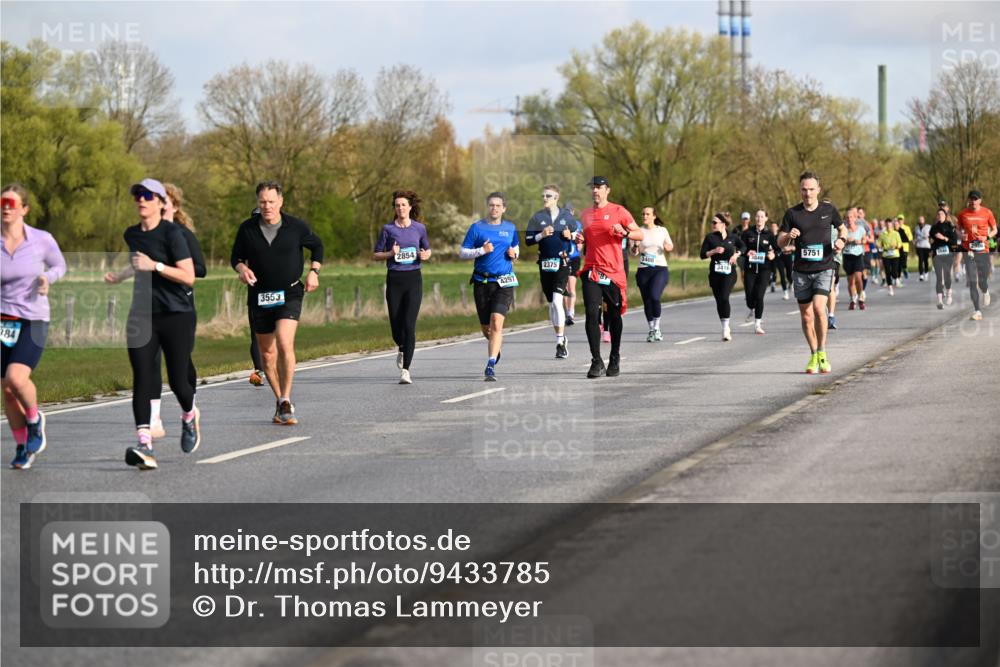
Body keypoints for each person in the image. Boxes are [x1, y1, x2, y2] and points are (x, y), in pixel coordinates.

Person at [105, 178, 199, 470]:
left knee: (179, 380)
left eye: (147, 195)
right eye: (137, 195)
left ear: (160, 201)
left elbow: (189, 275)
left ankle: (189, 415)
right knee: (143, 377)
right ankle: (144, 442)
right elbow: (138, 262)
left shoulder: (174, 234)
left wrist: (155, 267)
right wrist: (119, 276)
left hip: (176, 314)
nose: (141, 200)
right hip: (142, 314)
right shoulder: (132, 234)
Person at [231, 181, 323, 423]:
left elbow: (317, 247)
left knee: (284, 342)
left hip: (290, 292)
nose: (267, 206)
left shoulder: (296, 226)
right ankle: (280, 400)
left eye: (271, 202)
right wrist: (241, 269)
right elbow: (236, 257)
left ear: (280, 202)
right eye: (262, 202)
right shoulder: (247, 229)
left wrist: (314, 271)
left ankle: (286, 399)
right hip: (260, 295)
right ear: (257, 203)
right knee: (267, 354)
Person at [1, 183, 67, 469]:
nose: (6, 207)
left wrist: (47, 279)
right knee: (5, 388)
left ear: (24, 209)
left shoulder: (41, 239)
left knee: (16, 378)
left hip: (33, 319)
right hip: (4, 320)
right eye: (3, 203)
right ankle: (21, 447)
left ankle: (34, 419)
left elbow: (60, 266)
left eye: (12, 204)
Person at [148, 183, 206, 440]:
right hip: (151, 305)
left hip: (180, 304)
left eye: (165, 201)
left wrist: (173, 266)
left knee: (180, 362)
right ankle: (153, 419)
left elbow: (200, 269)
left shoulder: (183, 235)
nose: (160, 206)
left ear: (174, 206)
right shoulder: (145, 233)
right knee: (150, 360)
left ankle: (189, 405)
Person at [777, 172, 845, 374]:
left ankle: (823, 351)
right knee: (806, 316)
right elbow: (779, 241)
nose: (807, 193)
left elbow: (843, 230)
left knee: (818, 308)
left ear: (818, 190)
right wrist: (788, 235)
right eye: (804, 190)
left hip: (824, 267)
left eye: (811, 189)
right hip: (801, 271)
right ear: (800, 190)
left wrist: (842, 240)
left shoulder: (829, 210)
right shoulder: (792, 214)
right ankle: (814, 354)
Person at [578, 176, 642, 378]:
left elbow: (639, 234)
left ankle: (614, 356)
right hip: (592, 269)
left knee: (614, 315)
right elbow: (586, 241)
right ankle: (596, 361)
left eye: (599, 187)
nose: (595, 191)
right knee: (591, 312)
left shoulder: (619, 211)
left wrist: (624, 232)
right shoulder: (586, 214)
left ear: (608, 190)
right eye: (593, 188)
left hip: (613, 271)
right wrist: (581, 240)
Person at [373, 190, 431, 384]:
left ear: (410, 207)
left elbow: (427, 249)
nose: (400, 208)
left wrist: (425, 255)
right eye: (397, 205)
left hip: (414, 279)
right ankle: (401, 346)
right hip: (395, 279)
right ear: (395, 208)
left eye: (403, 205)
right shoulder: (388, 229)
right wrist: (390, 253)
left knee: (409, 325)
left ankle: (406, 370)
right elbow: (376, 254)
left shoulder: (419, 228)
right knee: (396, 328)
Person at [460, 192, 519, 381]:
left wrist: (513, 254)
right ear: (488, 207)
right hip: (481, 283)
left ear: (504, 208)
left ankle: (491, 364)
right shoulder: (476, 228)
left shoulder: (510, 228)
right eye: (491, 205)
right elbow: (463, 253)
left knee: (496, 322)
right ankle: (496, 346)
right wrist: (481, 251)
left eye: (498, 205)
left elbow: (515, 247)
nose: (494, 208)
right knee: (486, 329)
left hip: (503, 282)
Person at [525, 185, 577, 358]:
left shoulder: (566, 216)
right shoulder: (537, 217)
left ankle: (560, 342)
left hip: (561, 263)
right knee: (551, 304)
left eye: (548, 196)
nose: (545, 198)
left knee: (557, 301)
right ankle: (560, 337)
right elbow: (528, 240)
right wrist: (541, 235)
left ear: (557, 198)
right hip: (545, 264)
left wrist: (571, 236)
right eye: (543, 196)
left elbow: (578, 235)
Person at [700, 212, 744, 341]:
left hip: (729, 273)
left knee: (724, 297)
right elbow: (702, 255)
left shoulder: (733, 237)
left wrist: (736, 255)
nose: (712, 225)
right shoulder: (710, 238)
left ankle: (726, 328)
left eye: (715, 222)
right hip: (715, 273)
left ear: (723, 224)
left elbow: (743, 246)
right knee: (719, 300)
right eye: (712, 222)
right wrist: (714, 251)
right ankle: (724, 325)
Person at [632, 206, 673, 341]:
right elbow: (634, 253)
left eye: (647, 214)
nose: (644, 216)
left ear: (654, 216)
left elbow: (670, 245)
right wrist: (636, 245)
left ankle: (657, 328)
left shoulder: (662, 230)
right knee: (647, 301)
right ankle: (651, 330)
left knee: (655, 296)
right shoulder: (637, 231)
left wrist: (667, 247)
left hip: (660, 268)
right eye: (643, 214)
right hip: (643, 269)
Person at [956, 189, 998, 321]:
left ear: (980, 200)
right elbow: (957, 228)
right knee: (972, 281)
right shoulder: (963, 214)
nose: (973, 201)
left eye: (976, 199)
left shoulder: (987, 212)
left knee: (982, 281)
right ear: (969, 200)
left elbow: (995, 230)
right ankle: (977, 310)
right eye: (971, 199)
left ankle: (985, 291)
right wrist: (960, 235)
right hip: (969, 251)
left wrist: (986, 237)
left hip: (983, 251)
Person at [739, 209, 776, 334]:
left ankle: (757, 324)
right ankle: (751, 308)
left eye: (762, 216)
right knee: (749, 298)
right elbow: (740, 247)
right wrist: (746, 252)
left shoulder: (770, 234)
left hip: (764, 269)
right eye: (757, 216)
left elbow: (778, 248)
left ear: (766, 219)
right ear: (755, 218)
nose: (759, 219)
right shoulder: (748, 233)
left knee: (759, 296)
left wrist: (773, 254)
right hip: (750, 268)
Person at [930, 208, 958, 309]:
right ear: (937, 216)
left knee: (947, 275)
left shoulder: (950, 227)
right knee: (939, 277)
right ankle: (940, 301)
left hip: (948, 254)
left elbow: (954, 241)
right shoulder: (934, 228)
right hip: (937, 255)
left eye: (942, 214)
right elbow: (931, 239)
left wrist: (944, 238)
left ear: (945, 216)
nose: (940, 215)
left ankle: (949, 294)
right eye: (938, 214)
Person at [842, 207, 867, 311]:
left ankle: (861, 297)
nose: (849, 219)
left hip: (858, 255)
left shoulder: (860, 229)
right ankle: (853, 300)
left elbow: (865, 239)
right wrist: (846, 241)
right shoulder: (843, 229)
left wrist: (859, 241)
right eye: (847, 217)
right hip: (847, 255)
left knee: (858, 278)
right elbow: (840, 242)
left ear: (855, 218)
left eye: (851, 217)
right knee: (850, 281)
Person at [563, 202, 582, 326]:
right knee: (563, 288)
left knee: (571, 287)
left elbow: (580, 243)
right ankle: (565, 313)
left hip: (574, 257)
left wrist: (579, 243)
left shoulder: (578, 224)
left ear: (573, 212)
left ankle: (571, 312)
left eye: (569, 212)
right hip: (563, 258)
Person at [877, 220, 902, 296]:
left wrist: (897, 246)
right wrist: (880, 246)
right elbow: (878, 243)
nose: (888, 226)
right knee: (887, 272)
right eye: (887, 225)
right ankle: (890, 289)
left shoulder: (896, 233)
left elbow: (900, 243)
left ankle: (896, 277)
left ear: (892, 225)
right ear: (885, 225)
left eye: (890, 225)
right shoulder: (882, 234)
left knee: (894, 271)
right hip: (886, 255)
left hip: (895, 254)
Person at [769, 221, 792, 300]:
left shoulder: (789, 235)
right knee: (782, 275)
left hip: (788, 256)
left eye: (774, 226)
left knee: (789, 274)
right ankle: (785, 292)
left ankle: (791, 282)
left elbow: (794, 246)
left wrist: (790, 248)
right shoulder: (772, 237)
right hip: (779, 257)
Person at [914, 215, 932, 281]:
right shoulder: (916, 228)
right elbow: (915, 236)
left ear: (924, 220)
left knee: (926, 260)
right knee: (920, 260)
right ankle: (921, 275)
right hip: (919, 246)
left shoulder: (928, 227)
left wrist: (929, 238)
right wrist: (915, 241)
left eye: (921, 220)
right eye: (919, 220)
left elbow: (932, 235)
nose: (920, 221)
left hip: (927, 246)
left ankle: (926, 273)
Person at [897, 214, 913, 282]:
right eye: (899, 219)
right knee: (898, 263)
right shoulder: (896, 228)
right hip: (898, 248)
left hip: (905, 247)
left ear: (903, 220)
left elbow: (910, 237)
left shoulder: (907, 228)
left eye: (901, 219)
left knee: (903, 262)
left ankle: (905, 269)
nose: (900, 221)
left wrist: (905, 238)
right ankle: (899, 277)